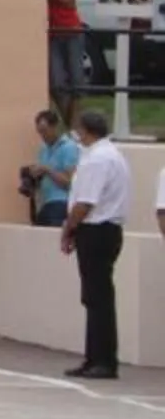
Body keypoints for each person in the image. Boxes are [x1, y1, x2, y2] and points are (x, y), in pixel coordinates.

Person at [57, 106, 129, 380]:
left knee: (97, 297)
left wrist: (69, 228)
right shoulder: (111, 155)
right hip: (105, 230)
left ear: (85, 131)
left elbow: (85, 202)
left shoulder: (97, 159)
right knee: (95, 296)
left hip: (97, 229)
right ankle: (94, 357)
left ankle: (103, 360)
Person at [34, 0, 90, 115]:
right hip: (53, 31)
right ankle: (71, 119)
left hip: (71, 30)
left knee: (76, 78)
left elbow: (70, 2)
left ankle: (77, 119)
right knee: (56, 81)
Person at [22, 109, 79, 227]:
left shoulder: (69, 147)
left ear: (55, 127)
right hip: (46, 202)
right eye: (40, 132)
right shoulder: (44, 148)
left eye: (45, 131)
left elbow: (70, 182)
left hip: (62, 201)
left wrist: (47, 169)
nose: (43, 136)